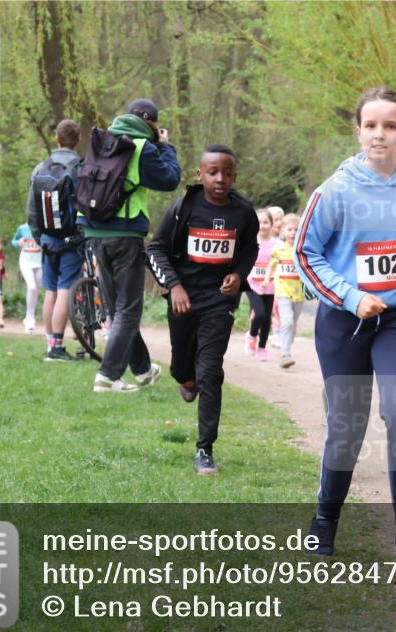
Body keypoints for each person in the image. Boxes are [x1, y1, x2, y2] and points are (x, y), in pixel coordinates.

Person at [295, 87, 396, 564]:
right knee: (347, 424)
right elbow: (304, 254)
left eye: (391, 126)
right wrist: (353, 297)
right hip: (345, 321)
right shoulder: (334, 191)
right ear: (358, 131)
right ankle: (324, 520)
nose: (380, 134)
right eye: (371, 126)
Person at [146, 144, 259, 476]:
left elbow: (250, 249)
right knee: (183, 366)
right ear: (200, 174)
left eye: (227, 172)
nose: (220, 178)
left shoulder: (243, 213)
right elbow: (156, 248)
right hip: (183, 297)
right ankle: (186, 377)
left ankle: (204, 449)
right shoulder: (183, 207)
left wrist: (238, 275)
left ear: (234, 176)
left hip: (218, 302)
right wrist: (174, 285)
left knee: (211, 371)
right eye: (213, 172)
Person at [80, 99, 180, 390]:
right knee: (129, 310)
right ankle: (108, 376)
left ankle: (143, 370)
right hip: (126, 234)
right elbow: (170, 179)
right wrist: (164, 146)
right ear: (151, 122)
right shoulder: (141, 148)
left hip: (96, 233)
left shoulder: (101, 142)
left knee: (119, 309)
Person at [26, 119, 86, 361]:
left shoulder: (41, 167)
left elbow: (31, 209)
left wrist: (39, 237)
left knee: (50, 291)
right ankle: (57, 348)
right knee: (64, 290)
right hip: (71, 240)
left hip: (48, 240)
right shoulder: (81, 168)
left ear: (57, 139)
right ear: (77, 140)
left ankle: (50, 344)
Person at [265, 214, 305, 368]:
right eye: (290, 229)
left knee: (293, 324)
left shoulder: (303, 250)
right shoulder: (278, 249)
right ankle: (285, 353)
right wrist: (266, 279)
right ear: (282, 231)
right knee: (287, 322)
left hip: (299, 293)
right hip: (282, 291)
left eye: (297, 230)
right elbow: (272, 265)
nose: (293, 233)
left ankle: (286, 345)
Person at [245, 208, 277, 360]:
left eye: (266, 222)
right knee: (260, 313)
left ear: (271, 224)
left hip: (270, 285)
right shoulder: (249, 242)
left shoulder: (277, 244)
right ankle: (251, 337)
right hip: (251, 284)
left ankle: (262, 348)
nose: (262, 226)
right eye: (259, 222)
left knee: (267, 318)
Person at [11, 222, 44, 333]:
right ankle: (30, 319)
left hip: (39, 262)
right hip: (25, 261)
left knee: (36, 289)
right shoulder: (23, 228)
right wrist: (18, 243)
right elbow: (14, 241)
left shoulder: (43, 226)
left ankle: (30, 316)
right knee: (32, 287)